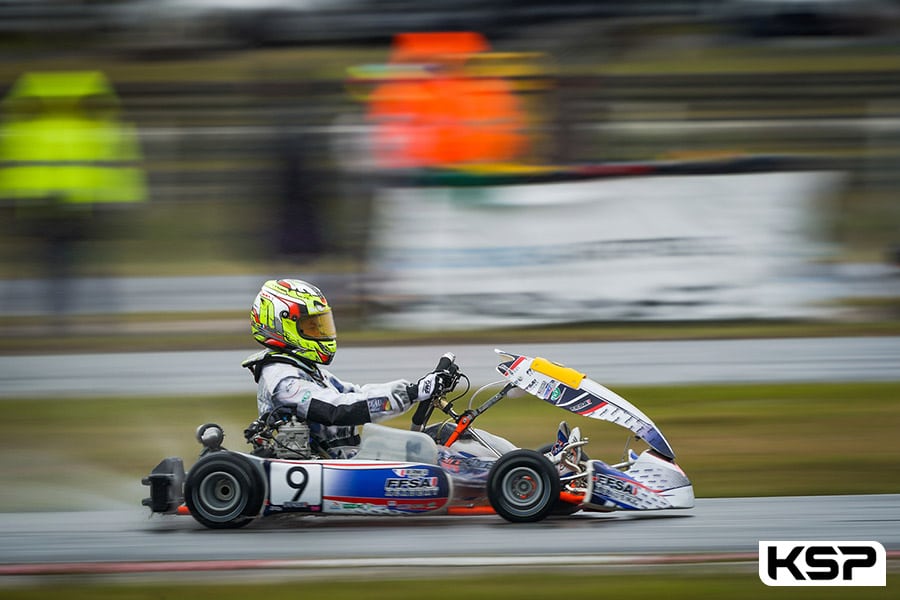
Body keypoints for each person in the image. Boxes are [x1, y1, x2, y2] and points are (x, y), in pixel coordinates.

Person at [241, 278, 445, 459]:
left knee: (441, 437)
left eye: (321, 324)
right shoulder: (282, 379)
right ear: (280, 325)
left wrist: (413, 390)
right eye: (312, 326)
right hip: (326, 469)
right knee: (434, 465)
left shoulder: (305, 369)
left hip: (348, 459)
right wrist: (410, 395)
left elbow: (356, 394)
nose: (320, 331)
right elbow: (339, 409)